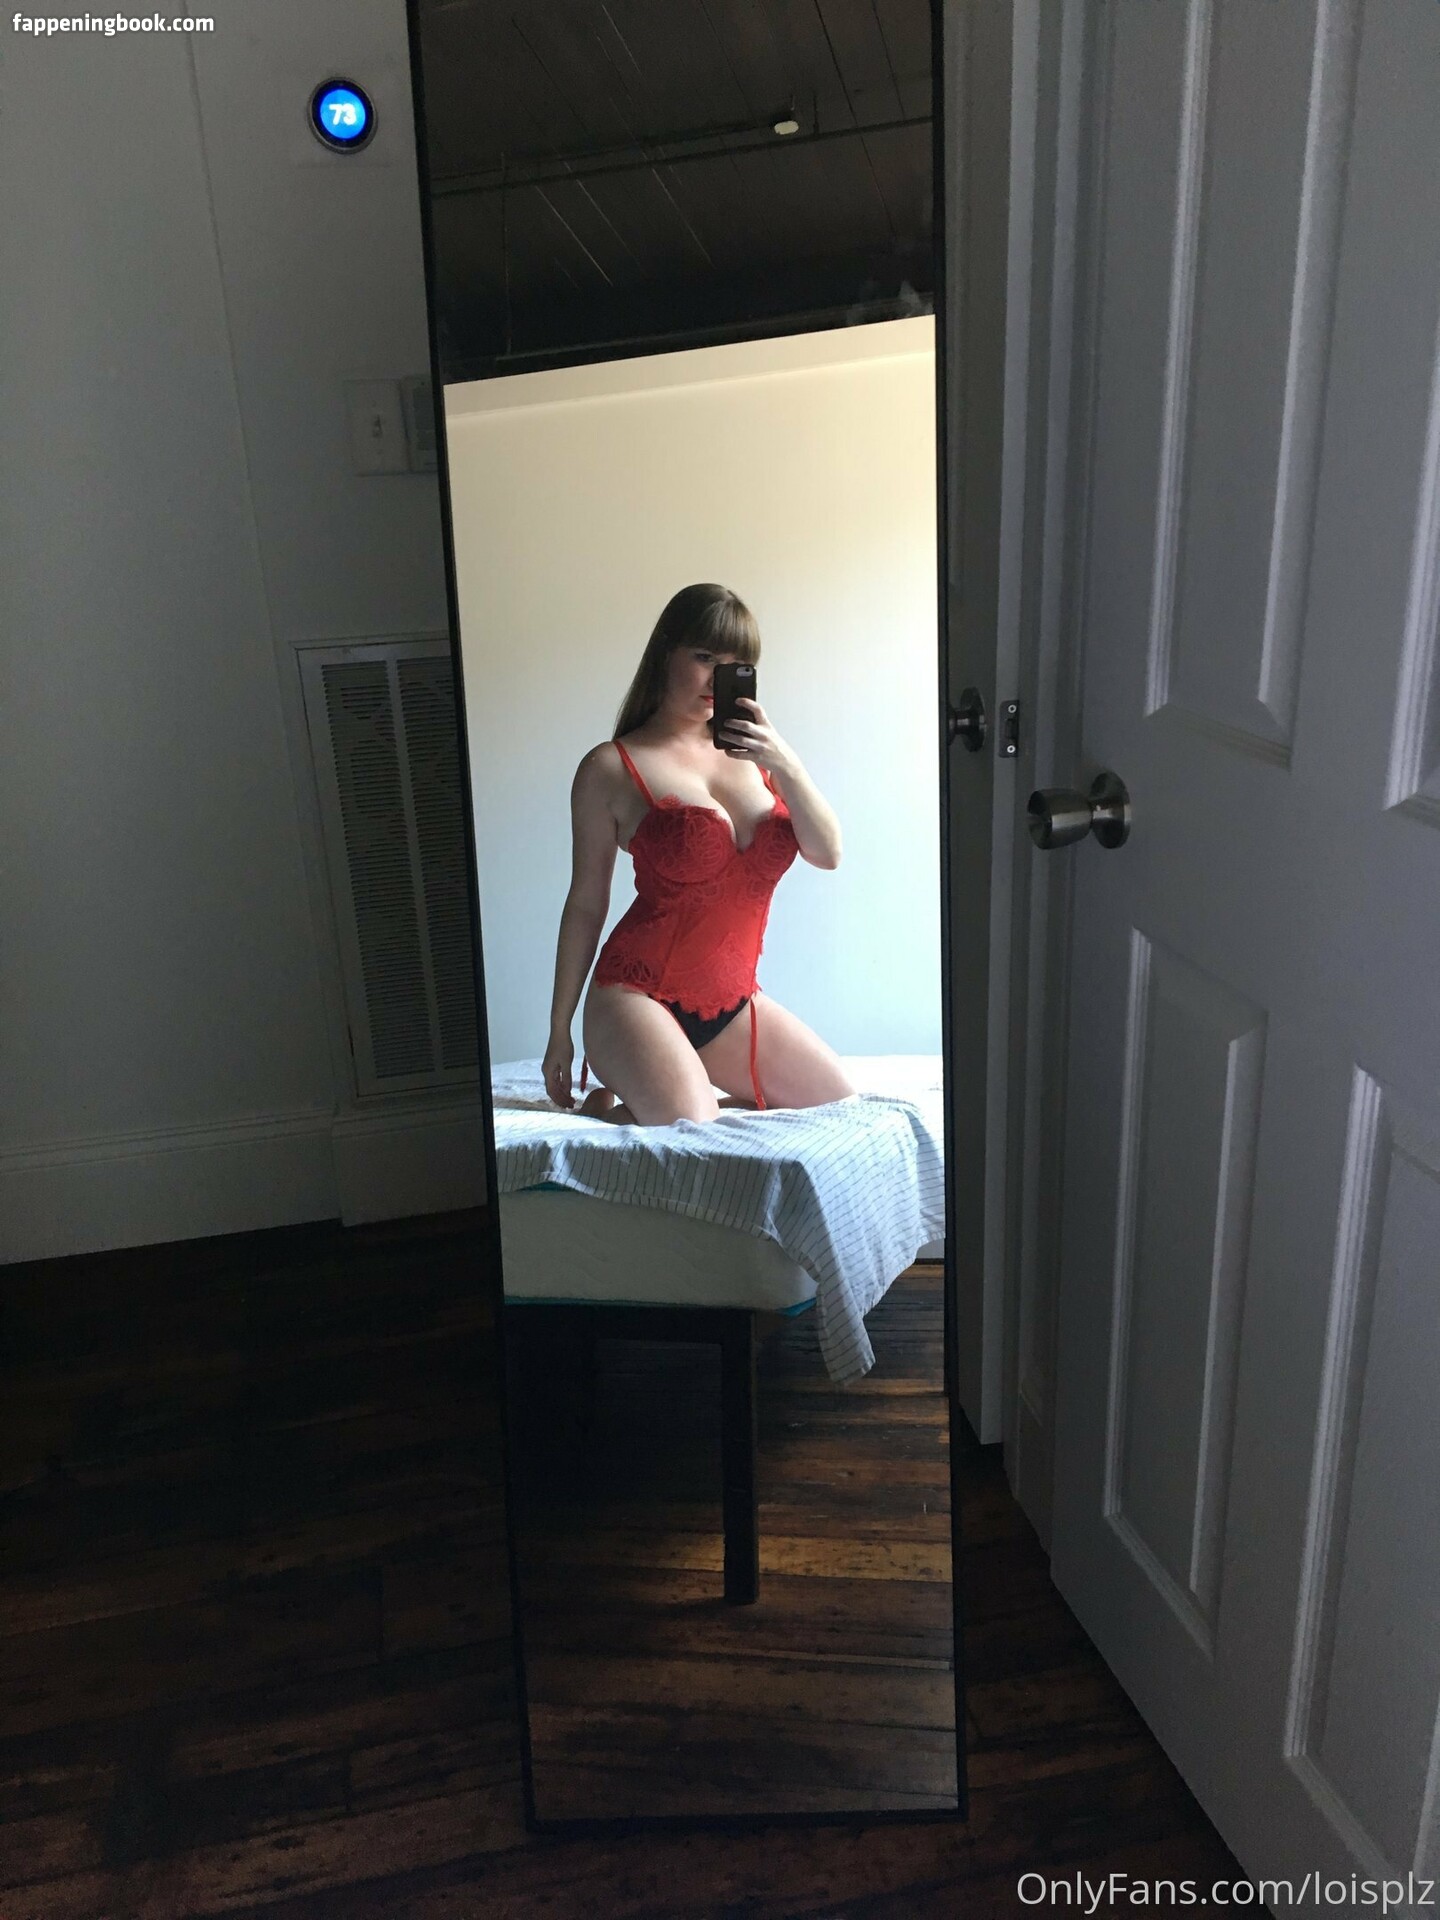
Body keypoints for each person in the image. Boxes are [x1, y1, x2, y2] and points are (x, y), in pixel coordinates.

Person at [542, 583, 857, 1126]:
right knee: (696, 1130)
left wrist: (785, 762)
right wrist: (558, 1032)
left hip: (730, 1004)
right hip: (634, 995)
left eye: (736, 666)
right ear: (666, 654)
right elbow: (586, 904)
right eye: (705, 657)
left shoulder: (761, 760)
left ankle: (632, 1105)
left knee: (838, 1104)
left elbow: (827, 853)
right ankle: (633, 1099)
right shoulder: (610, 767)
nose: (717, 679)